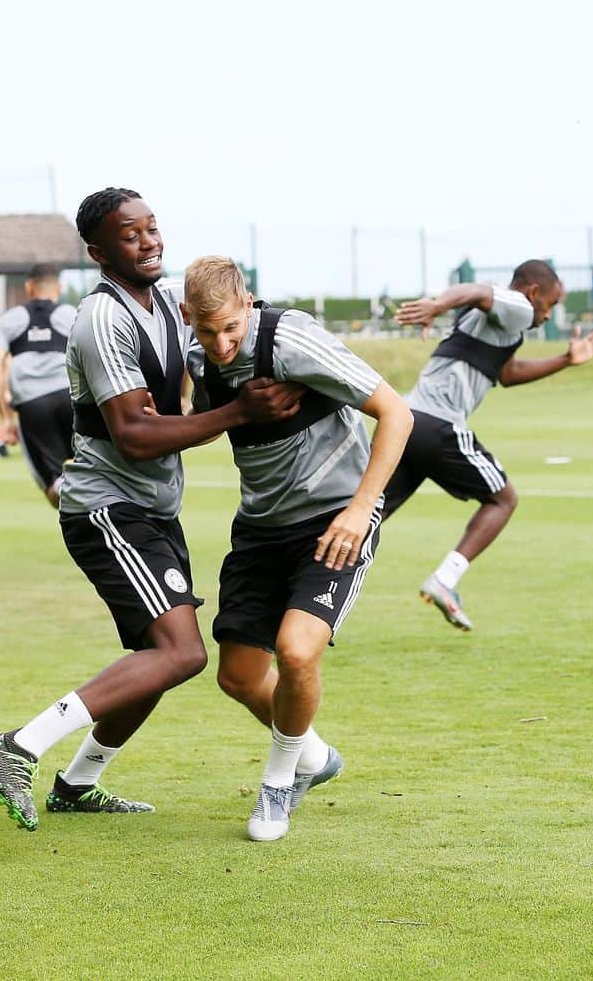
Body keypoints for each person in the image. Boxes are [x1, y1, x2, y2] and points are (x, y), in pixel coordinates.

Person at [0, 188, 300, 831]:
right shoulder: (101, 319)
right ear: (98, 252)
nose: (149, 241)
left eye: (153, 229)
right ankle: (18, 746)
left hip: (151, 507)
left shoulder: (165, 304)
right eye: (131, 234)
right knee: (181, 654)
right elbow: (134, 433)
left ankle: (78, 784)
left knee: (154, 659)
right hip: (108, 508)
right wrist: (240, 412)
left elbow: (223, 331)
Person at [181, 256, 412, 842]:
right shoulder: (196, 357)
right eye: (208, 332)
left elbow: (396, 412)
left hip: (334, 520)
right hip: (260, 528)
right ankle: (312, 755)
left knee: (297, 651)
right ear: (190, 319)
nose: (222, 344)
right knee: (236, 676)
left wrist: (361, 510)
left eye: (231, 328)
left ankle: (277, 784)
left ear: (248, 304)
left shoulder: (291, 338)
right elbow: (204, 422)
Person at [388, 259, 593, 630]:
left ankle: (297, 590)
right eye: (551, 305)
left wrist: (567, 360)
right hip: (437, 423)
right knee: (503, 498)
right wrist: (437, 305)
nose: (550, 316)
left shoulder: (501, 325)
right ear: (534, 293)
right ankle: (444, 580)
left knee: (364, 518)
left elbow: (508, 373)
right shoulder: (518, 306)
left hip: (406, 421)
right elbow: (476, 290)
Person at [0, 264, 77, 507]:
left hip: (31, 404)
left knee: (53, 482)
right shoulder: (71, 314)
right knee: (95, 464)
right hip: (70, 397)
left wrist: (5, 416)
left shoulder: (10, 319)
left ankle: (77, 520)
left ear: (28, 287)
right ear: (58, 288)